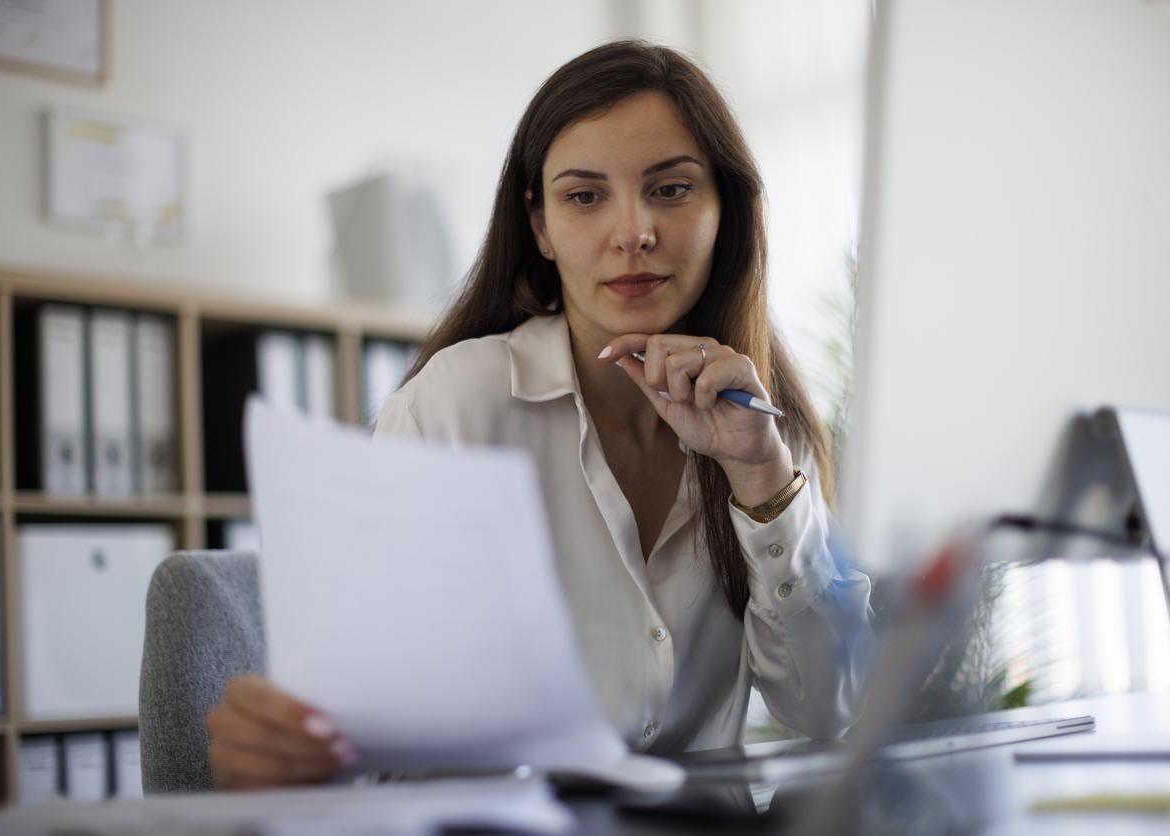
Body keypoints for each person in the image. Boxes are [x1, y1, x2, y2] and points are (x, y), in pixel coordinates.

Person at [206, 39, 873, 790]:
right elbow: (362, 716)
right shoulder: (456, 407)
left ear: (726, 208)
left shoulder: (763, 428)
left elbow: (829, 707)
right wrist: (294, 740)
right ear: (540, 225)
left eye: (672, 190)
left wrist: (757, 474)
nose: (633, 232)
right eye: (584, 196)